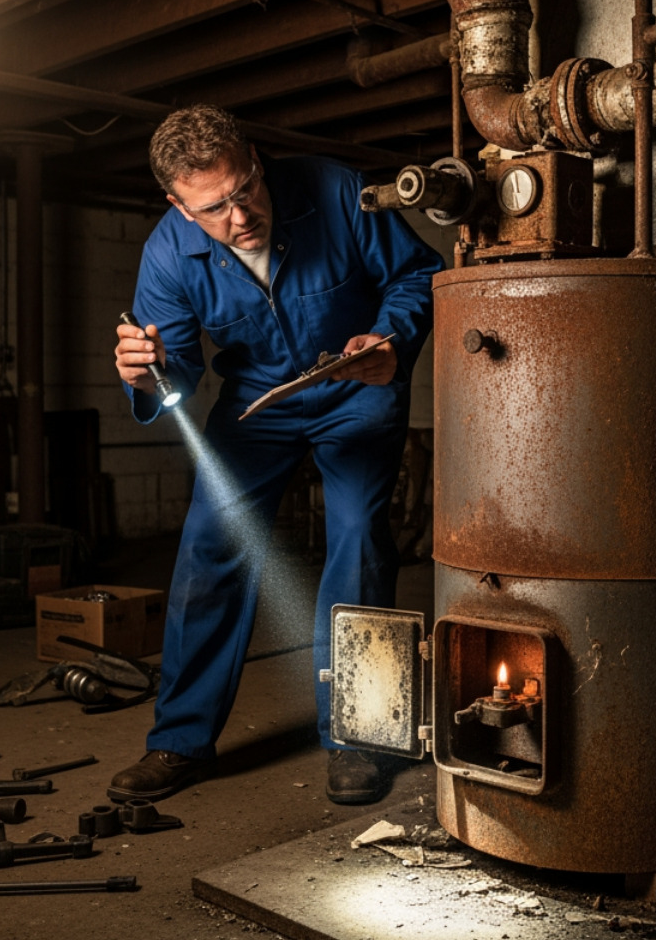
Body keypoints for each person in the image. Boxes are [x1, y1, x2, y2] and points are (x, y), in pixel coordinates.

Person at [110, 104, 443, 805]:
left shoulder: (334, 190)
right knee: (210, 545)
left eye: (244, 190)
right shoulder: (168, 253)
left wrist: (392, 340)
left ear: (256, 159)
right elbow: (176, 378)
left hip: (351, 383)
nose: (240, 217)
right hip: (258, 399)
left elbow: (417, 275)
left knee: (358, 540)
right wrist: (147, 376)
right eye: (214, 209)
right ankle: (180, 740)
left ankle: (363, 734)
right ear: (178, 206)